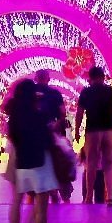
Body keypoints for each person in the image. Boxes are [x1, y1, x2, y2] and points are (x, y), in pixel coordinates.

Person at [6, 79, 58, 223]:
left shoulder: (14, 118)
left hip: (22, 164)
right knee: (41, 209)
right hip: (40, 164)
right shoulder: (38, 115)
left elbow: (14, 138)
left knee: (17, 200)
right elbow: (48, 141)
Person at [75, 66, 112, 205]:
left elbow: (80, 113)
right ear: (103, 77)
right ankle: (109, 197)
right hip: (109, 131)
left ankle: (88, 196)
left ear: (90, 79)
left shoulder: (86, 92)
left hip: (92, 131)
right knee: (109, 164)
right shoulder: (111, 91)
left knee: (91, 164)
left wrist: (77, 131)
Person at [35, 71, 70, 203]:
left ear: (36, 78)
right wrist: (57, 123)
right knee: (57, 160)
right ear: (48, 79)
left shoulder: (30, 92)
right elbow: (62, 112)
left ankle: (50, 190)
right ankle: (61, 191)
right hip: (53, 130)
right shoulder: (55, 93)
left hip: (37, 132)